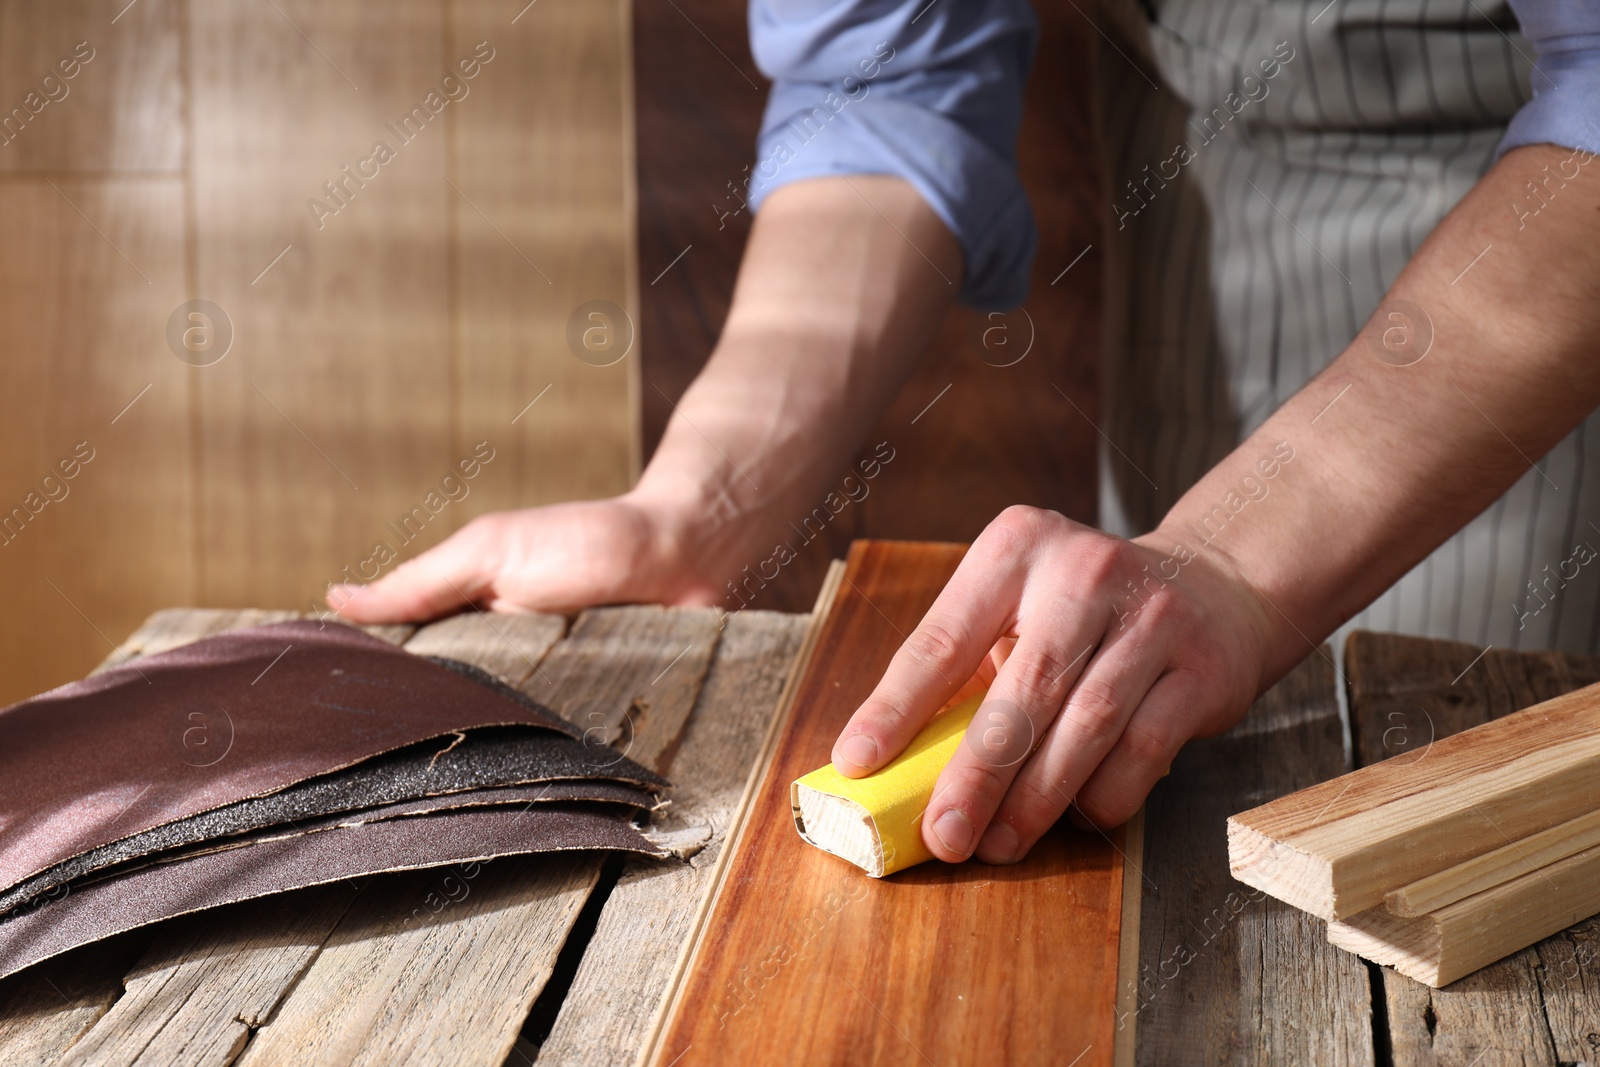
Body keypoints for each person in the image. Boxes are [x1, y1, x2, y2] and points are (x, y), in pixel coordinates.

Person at [333, 0, 1600, 869]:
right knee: (1141, 730)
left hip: (1536, 290)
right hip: (1204, 200)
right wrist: (698, 506)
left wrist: (1235, 553)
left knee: (1420, 825)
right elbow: (883, 67)